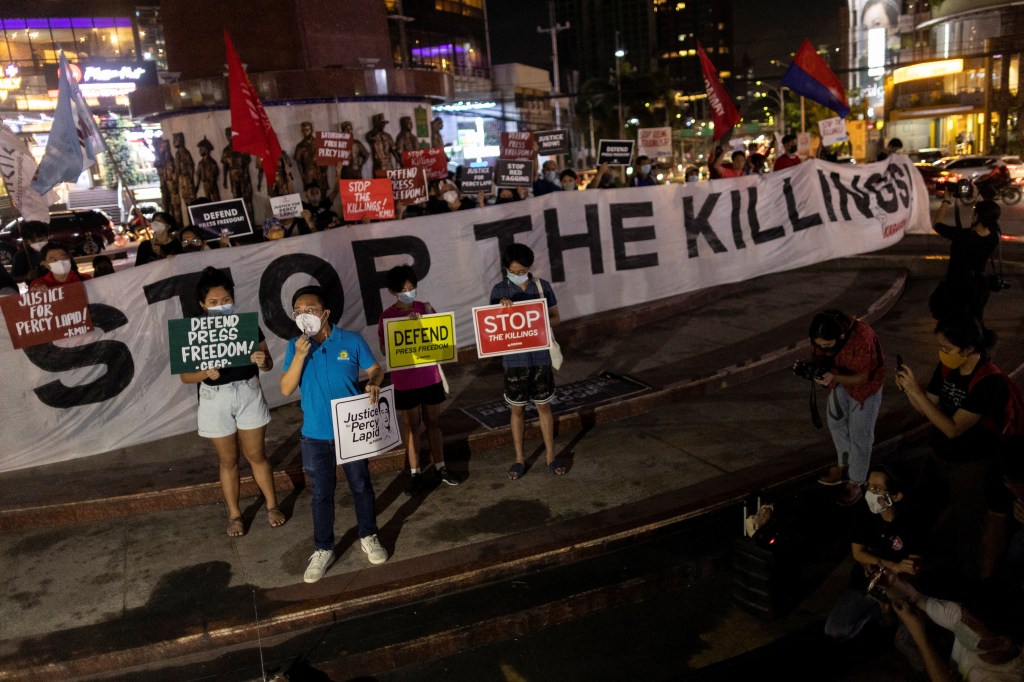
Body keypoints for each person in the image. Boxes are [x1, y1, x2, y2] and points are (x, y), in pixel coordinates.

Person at [280, 285, 388, 582]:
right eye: (298, 311)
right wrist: (301, 355)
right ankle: (324, 548)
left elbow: (375, 369)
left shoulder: (350, 341)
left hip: (351, 428)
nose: (304, 315)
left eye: (310, 309)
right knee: (321, 494)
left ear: (325, 312)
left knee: (361, 485)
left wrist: (374, 382)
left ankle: (368, 534)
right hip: (315, 433)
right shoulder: (294, 346)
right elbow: (286, 388)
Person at [178, 267, 284, 537]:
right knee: (228, 460)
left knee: (257, 455)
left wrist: (263, 361)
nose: (220, 306)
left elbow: (268, 363)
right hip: (215, 399)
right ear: (202, 305)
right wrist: (205, 373)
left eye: (225, 300)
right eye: (213, 303)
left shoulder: (247, 325)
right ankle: (235, 514)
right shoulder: (193, 332)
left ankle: (272, 505)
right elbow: (185, 376)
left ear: (233, 298)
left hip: (248, 393)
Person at [377, 265, 455, 495]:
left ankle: (441, 467)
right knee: (411, 428)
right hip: (405, 382)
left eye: (412, 288)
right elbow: (384, 350)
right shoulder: (388, 317)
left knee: (433, 423)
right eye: (404, 289)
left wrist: (423, 322)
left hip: (429, 377)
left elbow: (441, 338)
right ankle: (415, 473)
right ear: (393, 291)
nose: (409, 292)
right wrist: (405, 326)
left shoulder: (426, 308)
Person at [824, 466, 927, 641]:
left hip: (898, 585)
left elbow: (912, 569)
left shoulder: (911, 522)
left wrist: (890, 584)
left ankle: (890, 615)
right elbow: (858, 553)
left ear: (896, 496)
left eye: (877, 488)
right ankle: (878, 612)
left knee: (907, 637)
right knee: (835, 629)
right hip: (867, 583)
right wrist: (892, 565)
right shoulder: (864, 512)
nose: (871, 492)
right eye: (869, 486)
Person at [489, 243, 565, 479]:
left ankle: (551, 456)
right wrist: (501, 312)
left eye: (523, 270)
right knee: (517, 409)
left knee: (544, 406)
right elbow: (490, 328)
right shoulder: (498, 290)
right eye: (515, 270)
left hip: (540, 356)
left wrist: (537, 318)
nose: (519, 274)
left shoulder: (542, 287)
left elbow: (556, 318)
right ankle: (519, 459)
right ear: (506, 269)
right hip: (514, 360)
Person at [895, 315, 1009, 461]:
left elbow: (953, 429)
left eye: (947, 348)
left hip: (974, 456)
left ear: (968, 349)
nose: (942, 353)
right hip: (943, 449)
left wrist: (916, 391)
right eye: (940, 347)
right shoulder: (948, 367)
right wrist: (908, 389)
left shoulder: (988, 380)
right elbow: (926, 407)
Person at [809, 309, 886, 506]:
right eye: (819, 345)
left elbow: (863, 377)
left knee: (860, 434)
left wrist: (834, 378)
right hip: (840, 379)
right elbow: (820, 358)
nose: (823, 349)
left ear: (841, 336)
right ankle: (844, 467)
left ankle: (856, 481)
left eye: (827, 346)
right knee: (835, 422)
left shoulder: (862, 337)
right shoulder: (822, 338)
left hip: (866, 386)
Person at [889, 578, 1024, 681]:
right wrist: (889, 581)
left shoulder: (1006, 677)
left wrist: (920, 637)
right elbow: (914, 596)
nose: (960, 622)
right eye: (963, 614)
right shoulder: (962, 615)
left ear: (1002, 642)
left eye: (971, 624)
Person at [928, 198, 1000, 322]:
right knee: (973, 320)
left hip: (957, 286)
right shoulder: (994, 236)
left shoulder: (963, 236)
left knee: (953, 321)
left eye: (974, 212)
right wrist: (977, 198)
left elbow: (937, 224)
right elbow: (988, 216)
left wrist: (946, 201)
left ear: (977, 216)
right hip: (979, 286)